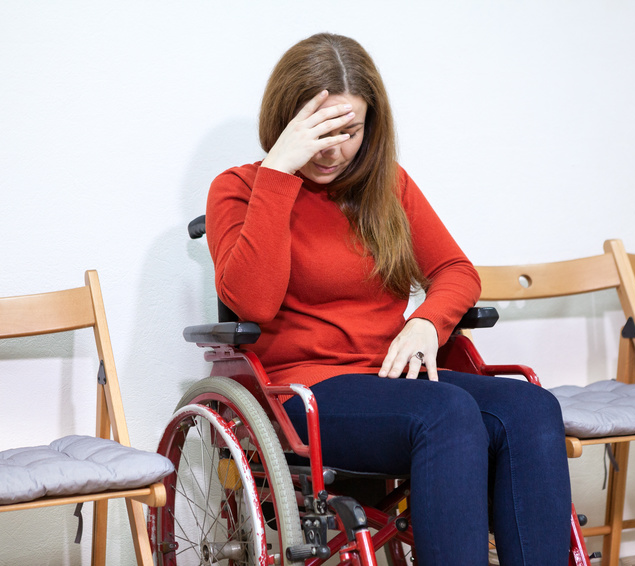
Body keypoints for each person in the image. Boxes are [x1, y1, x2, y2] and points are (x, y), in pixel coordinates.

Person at [205, 32, 571, 565]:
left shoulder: (386, 186)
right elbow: (253, 304)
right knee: (446, 413)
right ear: (285, 123)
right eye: (318, 132)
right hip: (304, 394)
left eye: (349, 130)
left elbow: (455, 271)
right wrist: (280, 173)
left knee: (532, 407)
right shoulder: (238, 189)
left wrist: (426, 323)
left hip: (394, 381)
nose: (334, 150)